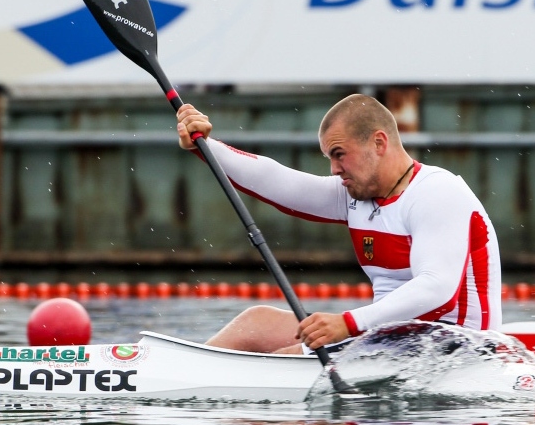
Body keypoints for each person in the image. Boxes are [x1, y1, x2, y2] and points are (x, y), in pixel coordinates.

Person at [176, 93, 502, 355]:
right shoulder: (356, 195)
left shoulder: (437, 192)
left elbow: (436, 287)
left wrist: (348, 323)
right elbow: (277, 181)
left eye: (339, 154)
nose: (333, 169)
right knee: (255, 322)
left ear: (379, 143)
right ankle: (179, 369)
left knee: (289, 356)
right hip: (391, 341)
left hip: (456, 352)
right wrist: (206, 145)